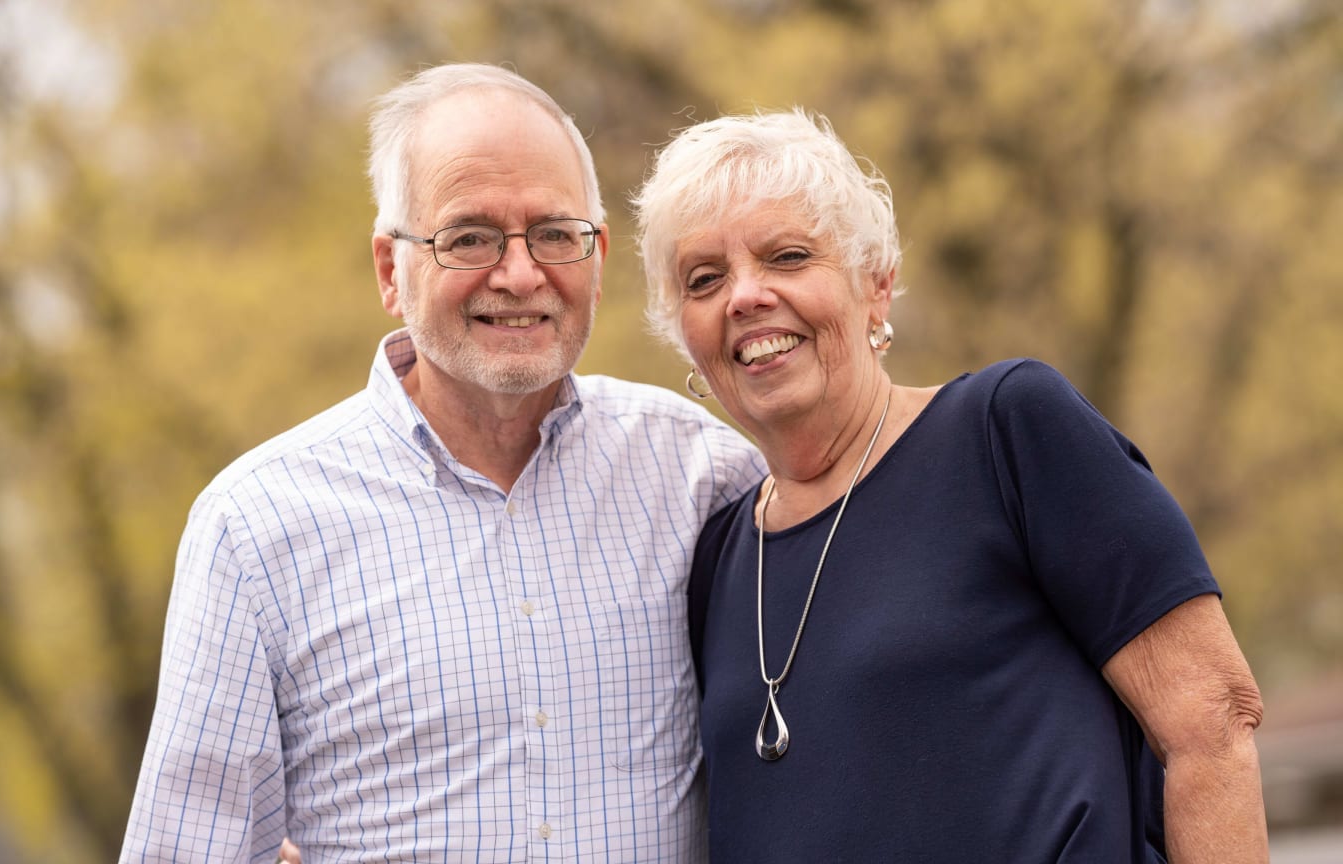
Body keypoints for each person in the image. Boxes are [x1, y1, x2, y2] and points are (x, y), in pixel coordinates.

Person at [119, 63, 765, 863]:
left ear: (597, 262)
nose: (521, 273)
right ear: (392, 270)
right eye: (469, 237)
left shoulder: (706, 476)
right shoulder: (254, 530)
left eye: (556, 234)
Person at [631, 107, 1268, 862]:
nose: (745, 296)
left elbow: (1213, 725)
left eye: (788, 257)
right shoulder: (716, 561)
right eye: (705, 279)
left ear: (876, 285)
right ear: (686, 336)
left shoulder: (1007, 433)